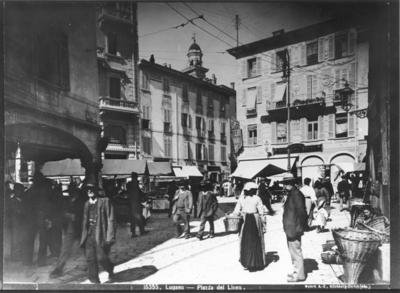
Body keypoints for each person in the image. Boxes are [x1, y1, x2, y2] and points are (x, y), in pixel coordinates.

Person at [49, 179, 87, 278]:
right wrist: (66, 215)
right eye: (70, 192)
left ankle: (94, 266)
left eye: (73, 192)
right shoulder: (68, 201)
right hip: (71, 228)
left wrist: (74, 216)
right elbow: (63, 213)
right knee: (65, 249)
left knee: (87, 248)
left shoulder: (82, 201)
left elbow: (84, 214)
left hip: (82, 227)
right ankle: (59, 268)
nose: (71, 194)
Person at [80, 183, 115, 283]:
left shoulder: (105, 201)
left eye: (91, 189)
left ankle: (109, 267)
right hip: (89, 234)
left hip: (100, 234)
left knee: (101, 258)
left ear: (96, 190)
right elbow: (84, 221)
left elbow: (111, 219)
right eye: (87, 189)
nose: (89, 191)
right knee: (90, 258)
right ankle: (94, 281)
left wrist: (110, 236)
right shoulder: (86, 204)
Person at [233, 182, 266, 272]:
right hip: (255, 219)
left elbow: (236, 211)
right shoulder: (257, 198)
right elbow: (261, 212)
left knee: (245, 240)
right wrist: (264, 224)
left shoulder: (242, 198)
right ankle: (256, 262)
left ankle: (246, 261)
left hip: (245, 220)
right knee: (256, 240)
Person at [282, 177, 307, 282]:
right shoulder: (293, 193)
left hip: (294, 227)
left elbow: (301, 212)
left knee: (296, 251)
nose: (283, 186)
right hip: (292, 227)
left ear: (289, 184)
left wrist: (301, 225)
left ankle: (299, 275)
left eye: (285, 184)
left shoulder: (296, 194)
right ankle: (297, 271)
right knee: (294, 251)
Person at [126, 172, 146, 237]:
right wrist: (143, 195)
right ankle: (141, 231)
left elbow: (138, 192)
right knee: (138, 217)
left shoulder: (129, 184)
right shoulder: (133, 184)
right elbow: (138, 193)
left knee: (134, 219)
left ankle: (134, 233)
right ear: (134, 177)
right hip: (135, 203)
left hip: (131, 203)